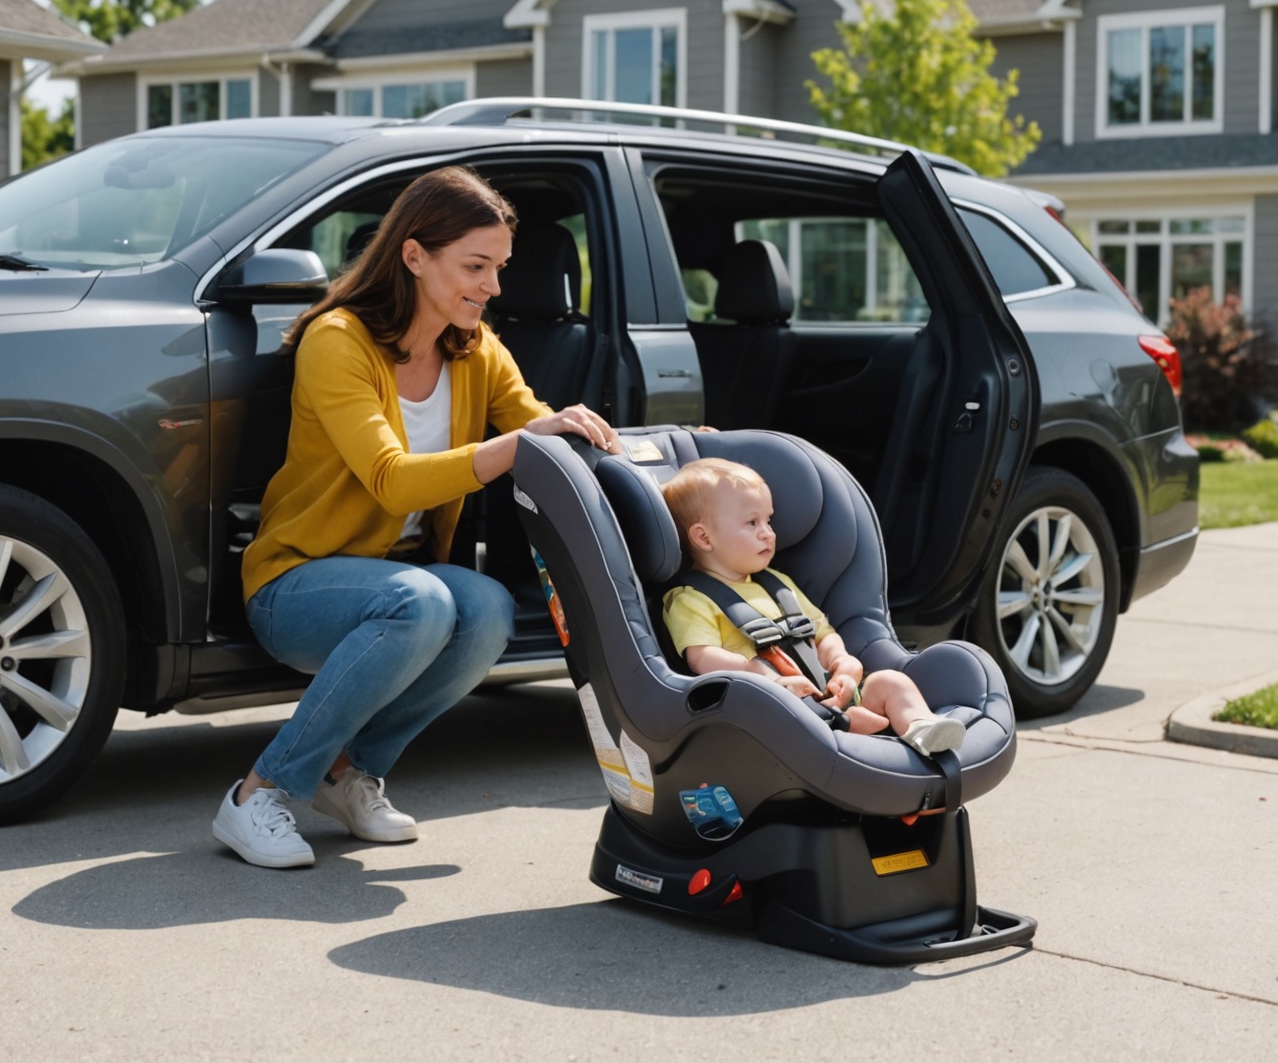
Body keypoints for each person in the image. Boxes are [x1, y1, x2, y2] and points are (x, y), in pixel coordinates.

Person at [214, 166, 621, 869]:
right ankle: (257, 794)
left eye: (498, 267)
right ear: (413, 255)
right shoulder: (337, 340)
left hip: (401, 589)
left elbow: (537, 429)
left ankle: (348, 775)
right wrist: (515, 445)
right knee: (426, 599)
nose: (494, 286)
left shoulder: (477, 347)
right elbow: (391, 482)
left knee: (488, 608)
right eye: (475, 266)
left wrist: (609, 446)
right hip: (297, 583)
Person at [658, 458, 965, 757]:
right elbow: (702, 657)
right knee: (795, 711)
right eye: (752, 523)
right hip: (772, 709)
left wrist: (841, 661)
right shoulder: (690, 599)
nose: (768, 532)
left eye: (769, 520)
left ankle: (922, 728)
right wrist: (764, 678)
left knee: (890, 681)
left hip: (826, 689)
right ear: (703, 537)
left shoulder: (778, 583)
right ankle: (853, 732)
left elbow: (821, 631)